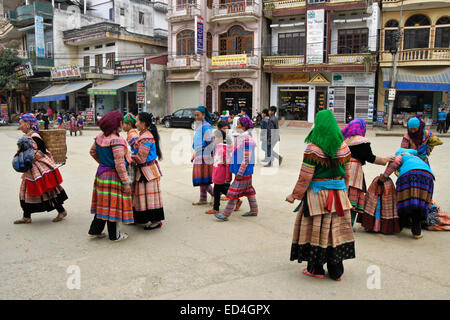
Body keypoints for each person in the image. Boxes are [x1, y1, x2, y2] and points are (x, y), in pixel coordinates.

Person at [286, 110, 354, 281]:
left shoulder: (313, 149)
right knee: (335, 232)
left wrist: (294, 195)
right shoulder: (344, 147)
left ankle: (316, 270)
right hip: (338, 196)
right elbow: (347, 174)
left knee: (315, 231)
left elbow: (305, 176)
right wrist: (343, 190)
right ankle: (336, 272)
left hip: (317, 197)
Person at [14, 113, 68, 224]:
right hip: (30, 169)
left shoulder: (34, 136)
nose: (20, 126)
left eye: (21, 123)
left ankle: (61, 211)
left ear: (28, 124)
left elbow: (42, 151)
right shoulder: (27, 136)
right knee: (26, 191)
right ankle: (26, 216)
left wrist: (27, 156)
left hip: (38, 169)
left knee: (48, 190)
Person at [88, 110, 132, 241]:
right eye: (121, 121)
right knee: (113, 205)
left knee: (102, 203)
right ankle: (115, 235)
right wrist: (126, 182)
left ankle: (95, 230)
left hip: (101, 174)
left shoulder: (100, 136)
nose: (122, 123)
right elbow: (119, 164)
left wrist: (103, 163)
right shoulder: (116, 140)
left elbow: (92, 152)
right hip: (113, 176)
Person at [340, 118, 393, 227]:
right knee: (353, 195)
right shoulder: (361, 140)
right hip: (354, 170)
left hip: (341, 169)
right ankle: (348, 225)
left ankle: (339, 223)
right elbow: (370, 158)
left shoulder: (344, 140)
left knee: (342, 195)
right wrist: (385, 159)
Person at [379, 148, 435, 239]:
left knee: (404, 202)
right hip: (427, 177)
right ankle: (417, 232)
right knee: (419, 203)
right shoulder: (417, 158)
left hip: (408, 176)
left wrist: (383, 177)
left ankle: (399, 226)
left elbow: (394, 163)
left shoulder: (401, 155)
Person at [215, 116, 258, 221]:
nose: (236, 126)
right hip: (244, 172)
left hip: (242, 172)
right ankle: (254, 210)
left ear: (243, 126)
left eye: (238, 124)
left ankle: (225, 214)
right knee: (249, 190)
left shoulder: (247, 140)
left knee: (233, 193)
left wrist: (240, 172)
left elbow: (246, 159)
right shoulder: (242, 137)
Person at [132, 112, 165, 230]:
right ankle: (144, 218)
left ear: (144, 123)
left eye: (137, 121)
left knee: (149, 197)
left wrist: (128, 156)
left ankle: (155, 220)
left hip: (147, 171)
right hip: (147, 171)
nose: (135, 124)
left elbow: (141, 158)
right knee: (146, 196)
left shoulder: (146, 137)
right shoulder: (145, 134)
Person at [205, 129, 232, 215]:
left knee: (217, 189)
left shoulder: (223, 149)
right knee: (220, 189)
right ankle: (236, 199)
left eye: (214, 137)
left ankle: (216, 208)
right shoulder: (220, 148)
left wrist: (227, 176)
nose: (213, 139)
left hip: (220, 173)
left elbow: (227, 163)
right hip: (218, 172)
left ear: (220, 138)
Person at [192, 106, 215, 205]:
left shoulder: (206, 126)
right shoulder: (200, 125)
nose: (196, 117)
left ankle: (215, 194)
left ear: (204, 115)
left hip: (204, 155)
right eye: (195, 115)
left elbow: (209, 140)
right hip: (199, 153)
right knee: (202, 178)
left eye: (198, 115)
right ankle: (203, 199)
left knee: (202, 178)